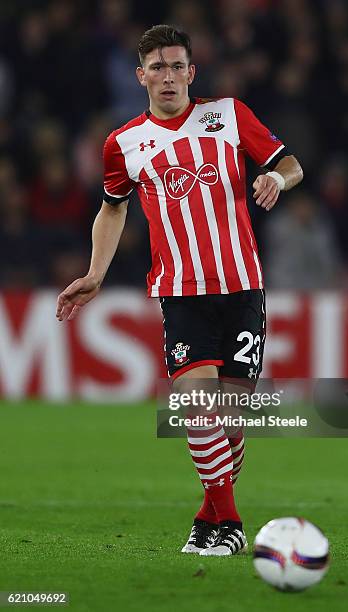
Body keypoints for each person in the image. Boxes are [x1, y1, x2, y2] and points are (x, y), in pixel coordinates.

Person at [56, 24, 303, 556]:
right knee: (197, 407)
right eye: (157, 67)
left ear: (192, 72)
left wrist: (277, 180)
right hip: (181, 291)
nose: (167, 76)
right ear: (140, 75)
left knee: (231, 428)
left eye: (176, 66)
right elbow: (112, 207)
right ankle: (231, 526)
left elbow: (290, 164)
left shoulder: (230, 116)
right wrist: (96, 273)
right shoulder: (123, 144)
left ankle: (206, 517)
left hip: (242, 286)